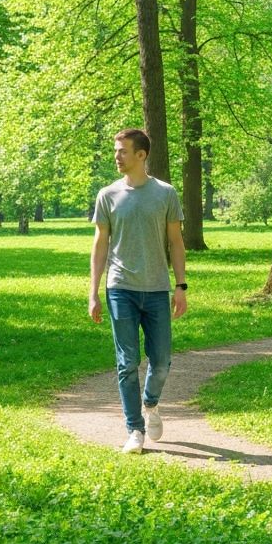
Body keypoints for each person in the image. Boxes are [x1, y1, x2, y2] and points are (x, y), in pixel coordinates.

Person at [89, 128, 187, 453]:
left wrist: (181, 286)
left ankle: (151, 403)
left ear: (141, 155)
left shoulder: (165, 194)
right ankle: (134, 429)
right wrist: (93, 292)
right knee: (127, 361)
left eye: (123, 151)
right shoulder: (108, 195)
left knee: (162, 361)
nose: (117, 156)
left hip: (157, 289)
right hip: (120, 289)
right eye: (116, 150)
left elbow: (176, 242)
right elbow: (100, 245)